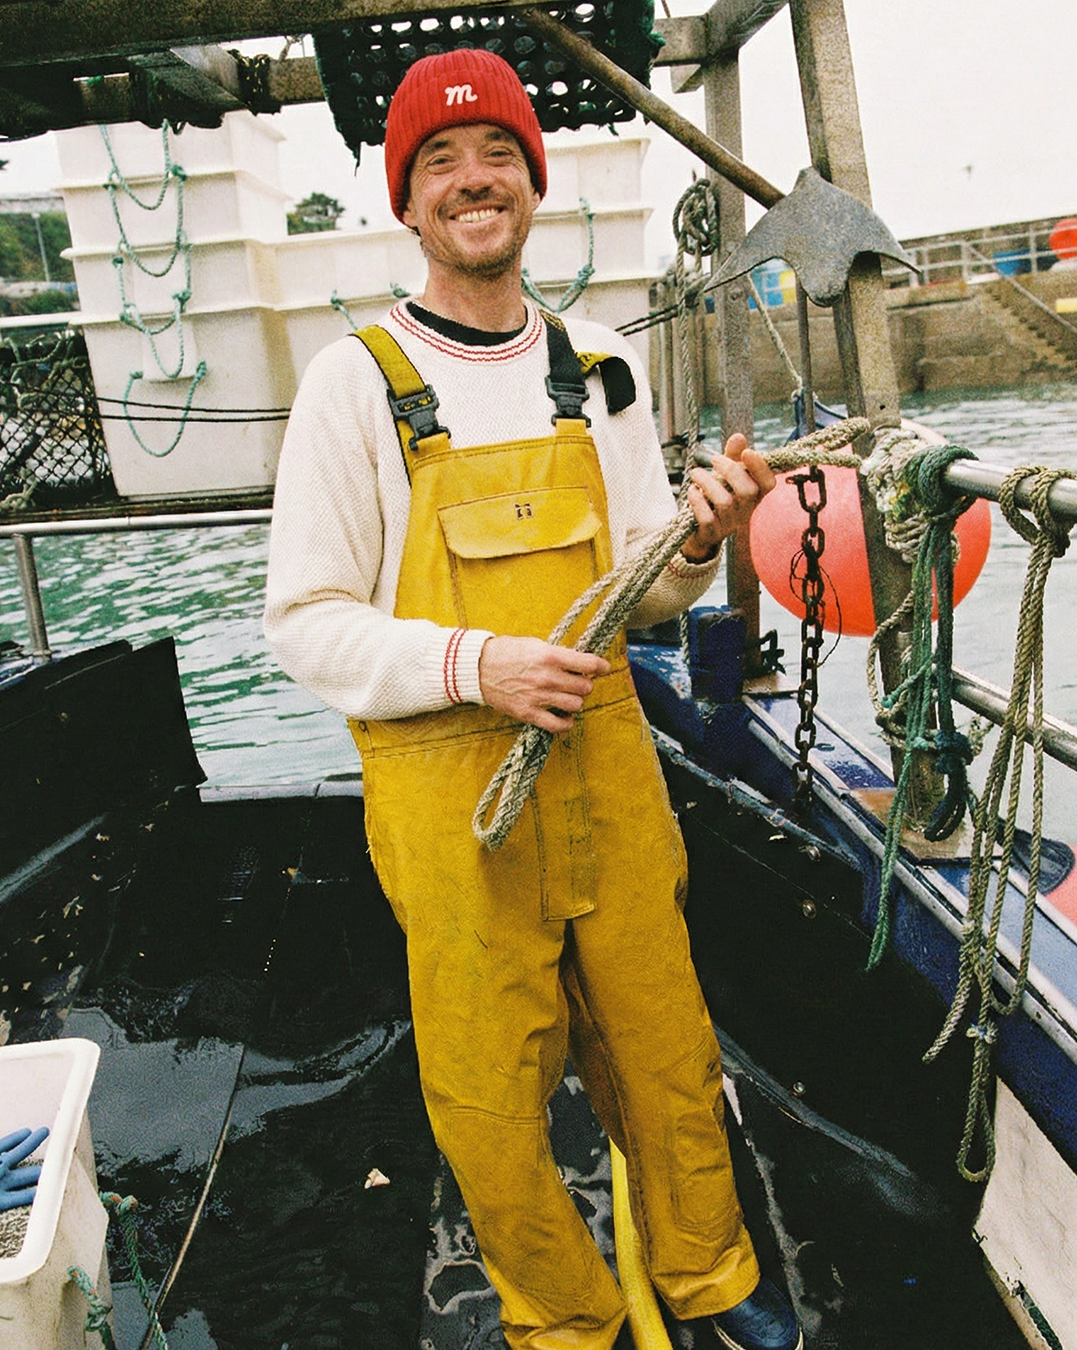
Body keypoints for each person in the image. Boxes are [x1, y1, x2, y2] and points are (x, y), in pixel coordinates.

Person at [264, 46, 800, 1350]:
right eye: (439, 160)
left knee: (668, 1055)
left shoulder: (603, 364)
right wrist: (477, 665)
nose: (472, 179)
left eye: (495, 151)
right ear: (407, 200)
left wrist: (702, 538)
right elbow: (305, 625)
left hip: (610, 781)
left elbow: (649, 592)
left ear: (533, 180)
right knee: (492, 1103)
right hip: (459, 809)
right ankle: (567, 1318)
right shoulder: (353, 383)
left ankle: (712, 1282)